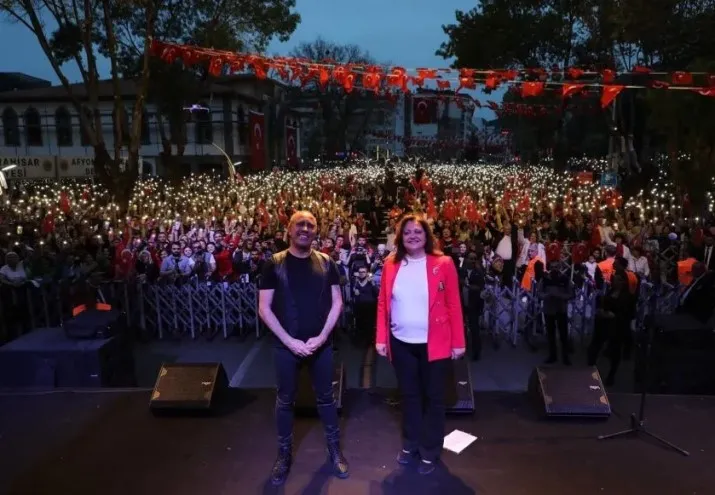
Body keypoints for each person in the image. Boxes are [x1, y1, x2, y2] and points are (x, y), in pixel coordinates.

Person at [258, 211, 348, 486]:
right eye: (300, 224)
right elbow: (264, 308)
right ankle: (283, 456)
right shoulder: (273, 264)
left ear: (316, 230)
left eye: (310, 225)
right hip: (286, 346)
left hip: (320, 345)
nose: (305, 228)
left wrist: (321, 338)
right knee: (285, 401)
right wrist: (289, 342)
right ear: (289, 229)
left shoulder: (327, 262)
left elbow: (337, 303)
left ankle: (334, 451)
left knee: (326, 399)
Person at [375, 213, 465, 475]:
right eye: (407, 232)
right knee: (410, 397)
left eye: (418, 231)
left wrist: (458, 342)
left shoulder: (443, 263)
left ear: (426, 236)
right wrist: (381, 337)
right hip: (401, 344)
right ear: (400, 237)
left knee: (434, 399)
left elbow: (454, 305)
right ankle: (410, 444)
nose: (413, 236)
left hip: (435, 345)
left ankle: (429, 450)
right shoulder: (391, 264)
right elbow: (383, 303)